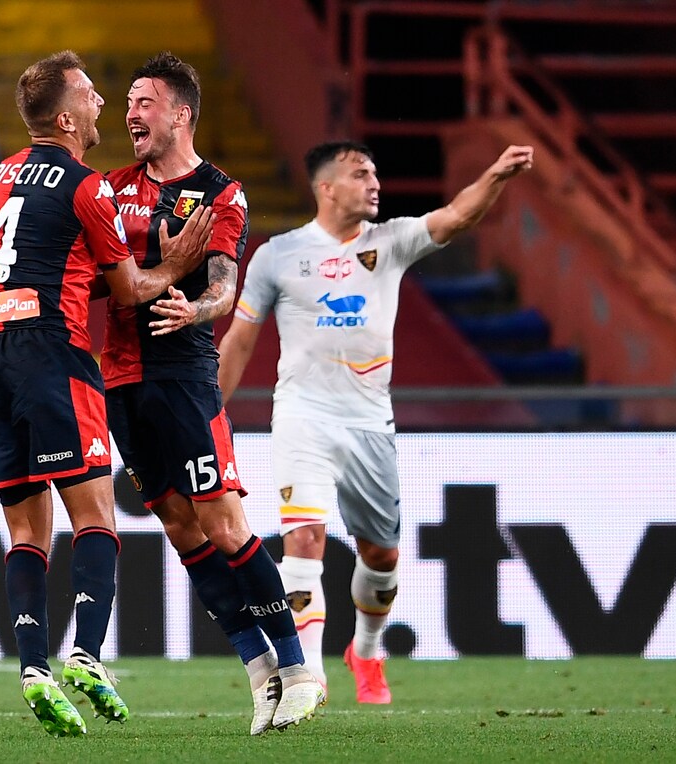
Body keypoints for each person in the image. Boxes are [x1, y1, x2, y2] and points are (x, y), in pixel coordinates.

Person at [0, 52, 325, 735]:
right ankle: (260, 673)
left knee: (224, 525)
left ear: (181, 114)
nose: (128, 112)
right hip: (121, 380)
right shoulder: (106, 186)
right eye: (124, 101)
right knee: (181, 528)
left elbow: (223, 285)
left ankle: (299, 667)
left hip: (184, 376)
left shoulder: (221, 193)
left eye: (143, 102)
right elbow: (68, 270)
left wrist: (197, 308)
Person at [217, 140, 534, 704]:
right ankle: (307, 674)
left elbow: (457, 216)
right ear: (327, 187)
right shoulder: (278, 255)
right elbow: (240, 341)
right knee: (303, 539)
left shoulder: (390, 241)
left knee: (381, 556)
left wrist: (496, 173)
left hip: (369, 423)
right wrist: (209, 413)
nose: (375, 183)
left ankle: (365, 650)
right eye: (361, 174)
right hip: (301, 416)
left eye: (375, 174)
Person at [0, 50, 212, 738]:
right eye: (91, 94)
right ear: (66, 119)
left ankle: (34, 670)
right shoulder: (87, 185)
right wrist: (176, 264)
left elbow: (22, 264)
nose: (103, 104)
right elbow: (128, 292)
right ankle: (87, 656)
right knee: (95, 517)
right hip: (52, 355)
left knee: (25, 529)